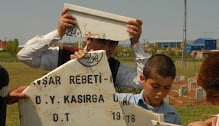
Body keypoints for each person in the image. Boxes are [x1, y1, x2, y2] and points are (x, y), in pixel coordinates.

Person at [17, 8, 150, 90]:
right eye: (102, 41)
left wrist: (135, 43)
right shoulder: (64, 55)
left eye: (112, 44)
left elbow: (141, 81)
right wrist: (58, 33)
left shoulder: (115, 67)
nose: (107, 48)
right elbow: (26, 56)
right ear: (88, 39)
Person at [115, 54, 181, 124]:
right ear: (142, 79)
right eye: (155, 86)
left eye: (166, 87)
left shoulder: (172, 115)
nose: (160, 93)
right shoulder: (123, 101)